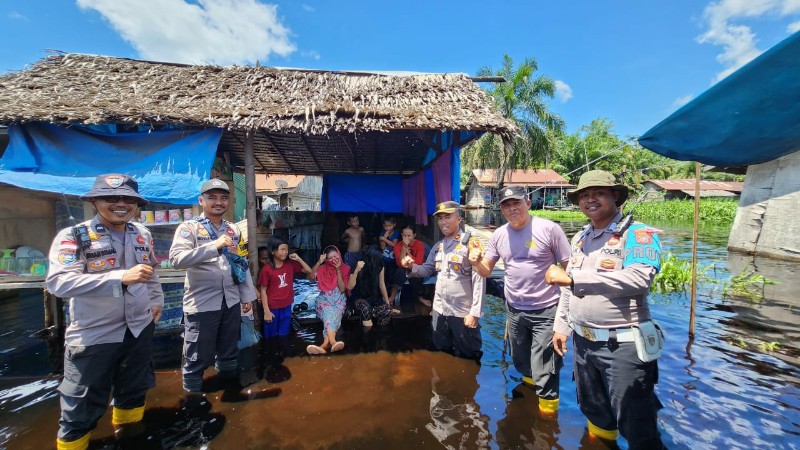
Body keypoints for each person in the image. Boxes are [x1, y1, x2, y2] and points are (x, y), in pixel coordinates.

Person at [546, 170, 665, 449]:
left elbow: (639, 278)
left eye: (598, 193)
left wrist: (576, 279)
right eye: (584, 195)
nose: (590, 199)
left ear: (614, 195)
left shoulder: (637, 233)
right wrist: (561, 327)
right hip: (583, 343)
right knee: (596, 413)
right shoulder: (580, 238)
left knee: (637, 425)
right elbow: (567, 290)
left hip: (623, 345)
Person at [46, 174, 164, 450]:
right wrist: (119, 277)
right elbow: (59, 283)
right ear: (95, 201)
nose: (120, 204)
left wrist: (156, 300)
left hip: (139, 327)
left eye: (128, 199)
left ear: (136, 204)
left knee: (134, 390)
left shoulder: (142, 234)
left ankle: (130, 437)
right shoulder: (74, 236)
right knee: (80, 404)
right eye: (111, 198)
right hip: (94, 334)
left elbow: (151, 271)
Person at [468, 185, 571, 415]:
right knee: (521, 361)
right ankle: (529, 405)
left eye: (516, 203)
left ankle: (547, 420)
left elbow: (571, 268)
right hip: (514, 310)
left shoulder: (549, 229)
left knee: (546, 368)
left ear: (527, 202)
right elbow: (486, 270)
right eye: (506, 205)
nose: (512, 208)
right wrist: (475, 261)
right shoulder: (499, 234)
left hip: (546, 310)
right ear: (501, 208)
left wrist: (565, 319)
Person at [169, 178, 256, 403]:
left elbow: (240, 262)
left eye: (223, 198)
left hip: (231, 301)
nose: (219, 202)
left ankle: (230, 395)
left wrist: (246, 295)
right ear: (201, 200)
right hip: (201, 303)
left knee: (229, 351)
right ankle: (192, 403)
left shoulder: (233, 229)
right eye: (212, 197)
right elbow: (177, 259)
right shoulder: (188, 228)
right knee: (197, 356)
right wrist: (213, 246)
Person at [403, 201, 485, 359]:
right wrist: (412, 266)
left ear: (459, 218)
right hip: (440, 310)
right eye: (440, 218)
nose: (443, 222)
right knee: (442, 353)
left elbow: (479, 280)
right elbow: (427, 269)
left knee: (468, 357)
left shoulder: (471, 244)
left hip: (462, 312)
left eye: (448, 217)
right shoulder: (439, 246)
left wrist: (474, 313)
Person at [308, 245, 360, 354]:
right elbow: (309, 277)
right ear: (326, 259)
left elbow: (342, 289)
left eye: (335, 256)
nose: (333, 259)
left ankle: (324, 345)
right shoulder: (322, 268)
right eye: (330, 258)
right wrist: (318, 262)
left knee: (332, 316)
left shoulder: (346, 268)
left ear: (339, 254)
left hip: (339, 300)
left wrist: (338, 270)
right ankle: (333, 342)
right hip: (324, 299)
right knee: (329, 312)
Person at [257, 236, 313, 339]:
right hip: (272, 308)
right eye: (282, 250)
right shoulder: (266, 269)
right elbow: (263, 291)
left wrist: (299, 259)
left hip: (287, 306)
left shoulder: (290, 265)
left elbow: (309, 271)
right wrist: (266, 311)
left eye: (286, 250)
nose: (285, 252)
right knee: (271, 338)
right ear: (273, 251)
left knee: (283, 335)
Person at [352, 245, 394, 327]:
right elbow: (350, 286)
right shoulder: (360, 266)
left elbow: (382, 284)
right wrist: (356, 270)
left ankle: (379, 334)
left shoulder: (380, 265)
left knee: (388, 310)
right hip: (360, 298)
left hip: (374, 298)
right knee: (365, 308)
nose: (380, 259)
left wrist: (387, 302)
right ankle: (367, 336)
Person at [390, 224, 428, 308]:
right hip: (402, 268)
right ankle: (392, 296)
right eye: (404, 235)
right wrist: (404, 248)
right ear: (401, 235)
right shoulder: (398, 246)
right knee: (399, 271)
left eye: (409, 235)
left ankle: (420, 297)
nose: (406, 238)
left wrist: (409, 254)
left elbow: (418, 262)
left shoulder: (419, 245)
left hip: (415, 267)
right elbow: (399, 263)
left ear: (414, 235)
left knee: (415, 273)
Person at [377, 216, 401, 287]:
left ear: (394, 225)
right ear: (383, 226)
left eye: (390, 225)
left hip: (393, 259)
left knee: (392, 276)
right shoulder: (382, 234)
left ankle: (392, 290)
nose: (388, 228)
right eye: (386, 226)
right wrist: (384, 237)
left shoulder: (396, 233)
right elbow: (383, 247)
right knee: (384, 276)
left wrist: (384, 239)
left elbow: (394, 244)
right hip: (384, 258)